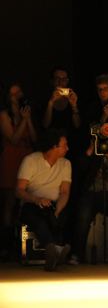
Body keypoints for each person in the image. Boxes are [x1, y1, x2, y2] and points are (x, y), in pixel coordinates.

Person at [68, 125, 108, 267]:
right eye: (103, 136)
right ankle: (77, 254)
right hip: (91, 193)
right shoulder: (94, 151)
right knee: (83, 213)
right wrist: (91, 150)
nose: (106, 140)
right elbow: (79, 170)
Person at [16, 128, 71, 271]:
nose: (67, 148)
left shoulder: (65, 164)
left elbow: (65, 192)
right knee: (38, 219)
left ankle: (55, 253)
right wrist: (37, 199)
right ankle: (54, 250)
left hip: (53, 204)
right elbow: (19, 190)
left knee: (60, 216)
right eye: (64, 145)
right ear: (54, 147)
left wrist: (58, 209)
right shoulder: (31, 160)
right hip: (32, 203)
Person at [0, 82, 37, 260]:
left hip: (26, 157)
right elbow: (13, 139)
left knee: (24, 202)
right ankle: (6, 246)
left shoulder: (25, 112)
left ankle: (23, 246)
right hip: (11, 158)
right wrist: (23, 120)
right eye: (14, 94)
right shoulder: (4, 115)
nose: (17, 96)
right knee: (10, 202)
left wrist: (27, 119)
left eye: (19, 92)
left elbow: (35, 138)